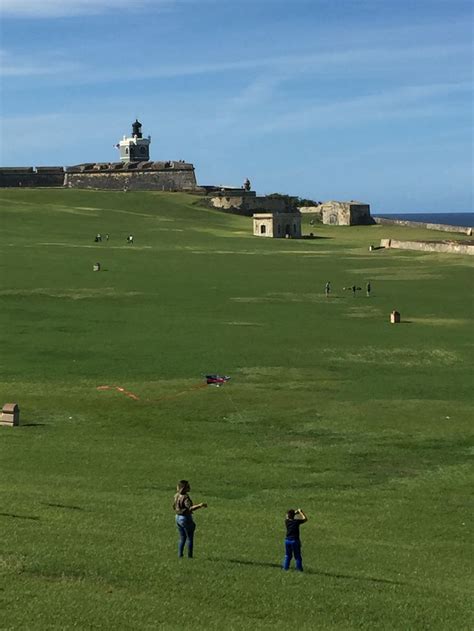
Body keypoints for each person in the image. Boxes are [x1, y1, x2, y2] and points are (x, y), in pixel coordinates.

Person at [172, 480, 207, 558]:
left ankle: (180, 554)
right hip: (185, 518)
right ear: (184, 488)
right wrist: (200, 505)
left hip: (177, 517)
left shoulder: (176, 495)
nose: (189, 487)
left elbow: (174, 506)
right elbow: (190, 508)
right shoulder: (185, 497)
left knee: (182, 537)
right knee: (190, 538)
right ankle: (190, 556)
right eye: (188, 486)